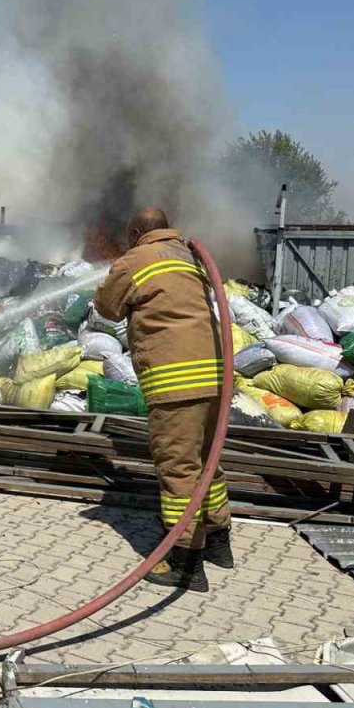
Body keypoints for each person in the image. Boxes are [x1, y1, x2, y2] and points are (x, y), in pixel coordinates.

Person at [94, 207, 231, 592]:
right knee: (207, 463)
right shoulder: (189, 255)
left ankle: (185, 562)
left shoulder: (136, 258)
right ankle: (219, 544)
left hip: (177, 383)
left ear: (137, 231)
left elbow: (107, 307)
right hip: (216, 378)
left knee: (178, 468)